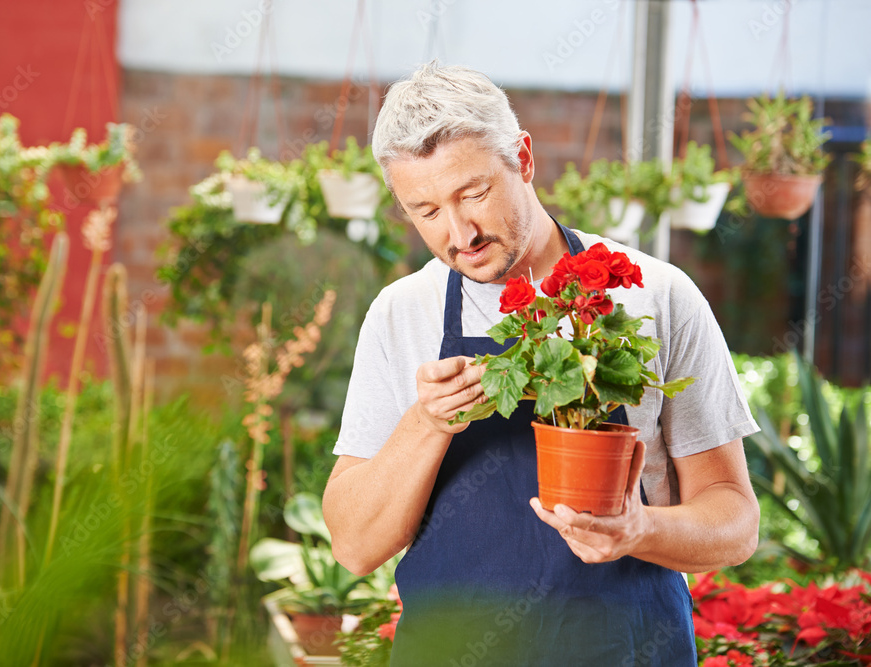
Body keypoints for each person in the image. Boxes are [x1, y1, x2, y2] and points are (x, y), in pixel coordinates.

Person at [322, 61, 760, 666]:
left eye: (474, 193)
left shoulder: (654, 294)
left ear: (523, 159)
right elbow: (353, 545)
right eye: (425, 211)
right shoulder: (402, 314)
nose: (460, 232)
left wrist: (640, 531)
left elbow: (734, 523)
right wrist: (425, 425)